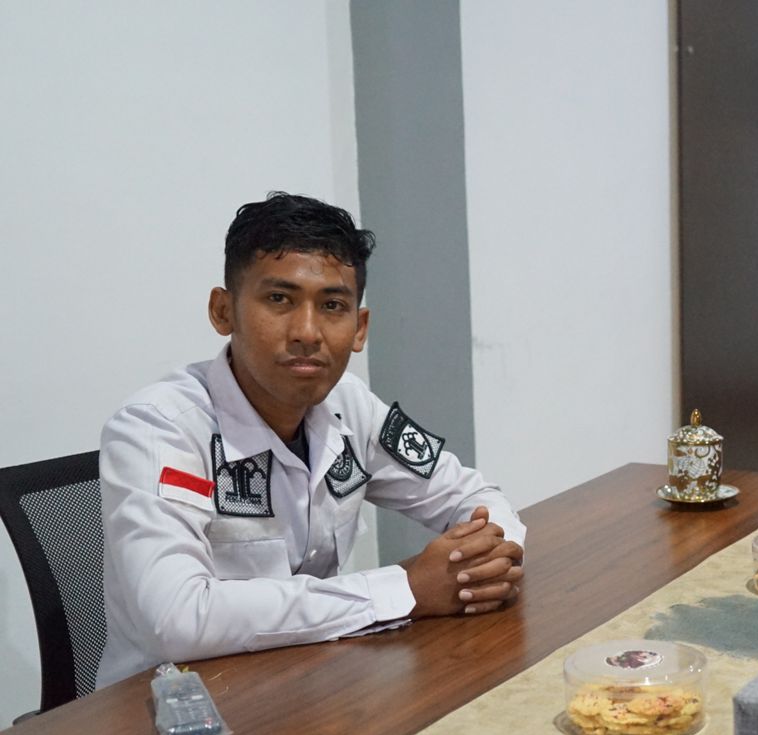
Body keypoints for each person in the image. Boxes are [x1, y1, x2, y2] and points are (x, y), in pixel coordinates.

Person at [96, 193, 526, 687]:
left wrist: (483, 562)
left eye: (332, 306)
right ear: (223, 311)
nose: (306, 332)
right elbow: (175, 619)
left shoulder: (351, 404)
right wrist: (403, 589)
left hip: (306, 684)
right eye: (279, 299)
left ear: (359, 328)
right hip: (167, 707)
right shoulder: (159, 428)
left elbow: (475, 496)